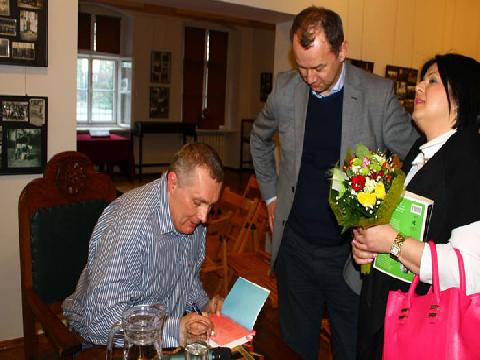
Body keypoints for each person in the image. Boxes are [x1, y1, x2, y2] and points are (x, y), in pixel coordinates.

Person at [250, 6, 419, 360]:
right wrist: (270, 197)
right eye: (301, 66)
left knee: (352, 349)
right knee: (294, 349)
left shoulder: (378, 96)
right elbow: (258, 139)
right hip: (294, 249)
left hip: (351, 257)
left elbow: (420, 159)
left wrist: (393, 222)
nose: (309, 78)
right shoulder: (284, 90)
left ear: (342, 50)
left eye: (319, 67)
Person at [352, 53, 480, 359]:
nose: (418, 88)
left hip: (425, 327)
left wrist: (392, 243)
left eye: (432, 80)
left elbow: (471, 269)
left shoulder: (469, 161)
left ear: (461, 96)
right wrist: (369, 247)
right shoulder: (420, 153)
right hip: (387, 316)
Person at [63, 143, 225, 347]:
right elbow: (101, 322)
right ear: (173, 183)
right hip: (102, 344)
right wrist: (173, 330)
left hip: (161, 339)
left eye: (210, 205)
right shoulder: (130, 224)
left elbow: (187, 278)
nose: (204, 217)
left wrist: (205, 305)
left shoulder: (191, 219)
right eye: (197, 202)